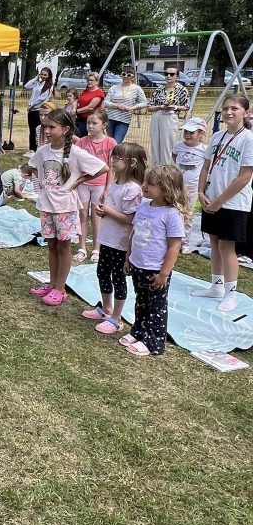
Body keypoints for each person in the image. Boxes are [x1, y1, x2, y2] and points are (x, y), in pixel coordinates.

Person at [28, 109, 108, 307]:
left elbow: (103, 168)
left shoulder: (76, 152)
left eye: (51, 127)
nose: (47, 131)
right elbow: (33, 166)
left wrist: (78, 181)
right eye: (45, 127)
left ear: (65, 129)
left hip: (65, 207)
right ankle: (52, 284)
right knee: (52, 245)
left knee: (63, 247)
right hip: (47, 205)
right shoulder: (43, 151)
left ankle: (60, 288)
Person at [191, 95, 253, 312]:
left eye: (234, 108)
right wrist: (201, 191)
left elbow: (244, 177)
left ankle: (231, 293)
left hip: (233, 203)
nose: (228, 112)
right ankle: (216, 286)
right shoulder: (218, 136)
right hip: (211, 199)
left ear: (245, 113)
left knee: (227, 247)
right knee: (214, 242)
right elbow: (206, 167)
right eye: (225, 108)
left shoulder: (248, 139)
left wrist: (219, 201)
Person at [121, 165, 186, 356]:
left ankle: (154, 342)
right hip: (137, 265)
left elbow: (174, 247)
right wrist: (128, 258)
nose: (145, 186)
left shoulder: (172, 215)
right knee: (141, 301)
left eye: (150, 183)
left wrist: (163, 274)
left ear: (165, 189)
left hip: (155, 270)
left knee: (156, 307)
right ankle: (139, 331)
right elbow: (134, 233)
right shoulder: (143, 206)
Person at [82, 142, 147, 335]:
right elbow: (112, 210)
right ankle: (106, 308)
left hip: (120, 243)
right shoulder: (115, 184)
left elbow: (130, 219)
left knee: (118, 278)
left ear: (132, 162)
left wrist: (107, 211)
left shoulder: (133, 189)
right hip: (107, 238)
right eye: (114, 156)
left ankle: (117, 318)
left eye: (119, 158)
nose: (114, 160)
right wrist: (103, 212)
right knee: (102, 272)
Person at [73, 111, 116, 264]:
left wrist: (107, 188)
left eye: (94, 123)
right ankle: (82, 247)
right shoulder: (81, 142)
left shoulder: (110, 143)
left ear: (104, 125)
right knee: (82, 215)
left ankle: (97, 249)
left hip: (100, 185)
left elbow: (111, 167)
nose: (90, 126)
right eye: (88, 123)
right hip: (83, 184)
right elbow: (75, 164)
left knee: (97, 217)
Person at [172, 117, 207, 252]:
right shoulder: (179, 146)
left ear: (201, 133)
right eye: (186, 132)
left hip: (192, 187)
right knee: (174, 210)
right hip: (176, 185)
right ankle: (172, 239)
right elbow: (174, 156)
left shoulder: (204, 150)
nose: (187, 135)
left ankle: (185, 242)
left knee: (188, 213)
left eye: (191, 132)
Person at [147, 67, 189, 165]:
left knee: (167, 144)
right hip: (157, 115)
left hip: (170, 117)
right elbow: (149, 107)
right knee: (155, 143)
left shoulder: (182, 90)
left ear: (177, 76)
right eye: (166, 74)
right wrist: (160, 107)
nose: (168, 76)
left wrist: (175, 107)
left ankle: (166, 167)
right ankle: (156, 166)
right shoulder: (159, 89)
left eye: (172, 74)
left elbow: (187, 106)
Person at [103, 66, 147, 143]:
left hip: (124, 120)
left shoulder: (137, 89)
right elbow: (105, 102)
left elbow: (144, 103)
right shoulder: (114, 87)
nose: (125, 76)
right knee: (108, 142)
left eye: (128, 75)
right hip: (110, 118)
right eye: (124, 74)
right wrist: (117, 105)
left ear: (133, 77)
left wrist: (132, 108)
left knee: (116, 143)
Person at [25, 67, 54, 152]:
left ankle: (39, 148)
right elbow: (26, 86)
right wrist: (36, 78)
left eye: (45, 75)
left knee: (39, 129)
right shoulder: (37, 83)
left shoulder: (49, 86)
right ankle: (32, 149)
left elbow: (42, 98)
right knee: (32, 130)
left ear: (49, 76)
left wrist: (32, 105)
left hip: (39, 110)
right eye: (41, 74)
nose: (43, 76)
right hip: (32, 110)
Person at [75, 71, 106, 137]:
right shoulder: (86, 91)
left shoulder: (99, 93)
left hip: (90, 120)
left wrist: (76, 111)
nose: (89, 82)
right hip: (80, 118)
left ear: (97, 82)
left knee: (78, 136)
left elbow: (90, 107)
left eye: (91, 80)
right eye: (88, 80)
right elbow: (78, 100)